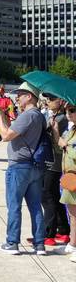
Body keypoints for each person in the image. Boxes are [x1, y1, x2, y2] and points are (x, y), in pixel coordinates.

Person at [0, 82, 47, 255]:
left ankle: (12, 242)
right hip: (34, 166)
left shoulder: (28, 115)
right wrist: (2, 114)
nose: (17, 97)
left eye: (21, 94)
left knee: (14, 205)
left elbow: (7, 135)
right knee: (35, 206)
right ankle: (39, 244)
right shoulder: (38, 115)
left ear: (29, 96)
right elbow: (15, 130)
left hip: (19, 166)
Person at [41, 96, 70, 245]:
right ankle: (63, 230)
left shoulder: (60, 119)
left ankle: (48, 233)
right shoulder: (56, 117)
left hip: (53, 162)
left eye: (51, 99)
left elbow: (59, 144)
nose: (48, 101)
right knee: (53, 194)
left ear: (60, 101)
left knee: (47, 196)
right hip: (53, 161)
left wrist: (51, 130)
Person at [57, 104, 76, 261]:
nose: (68, 114)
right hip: (70, 177)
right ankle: (73, 242)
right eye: (67, 111)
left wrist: (66, 146)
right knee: (72, 213)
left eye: (72, 110)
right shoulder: (71, 130)